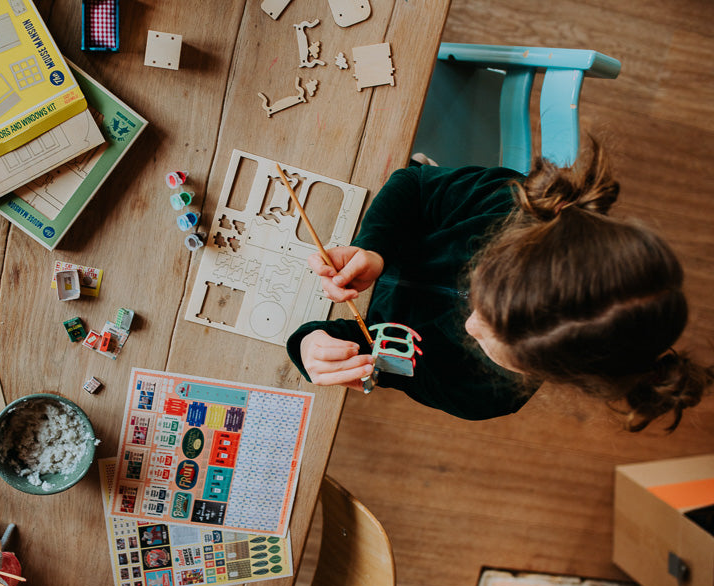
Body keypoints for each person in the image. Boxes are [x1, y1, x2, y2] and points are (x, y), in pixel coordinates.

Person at [287, 139, 712, 431]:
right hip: (361, 213)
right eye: (481, 296)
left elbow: (369, 355)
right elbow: (413, 186)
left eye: (490, 337)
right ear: (520, 244)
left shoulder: (481, 394)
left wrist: (312, 347)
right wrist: (374, 249)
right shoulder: (510, 206)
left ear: (541, 371)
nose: (471, 326)